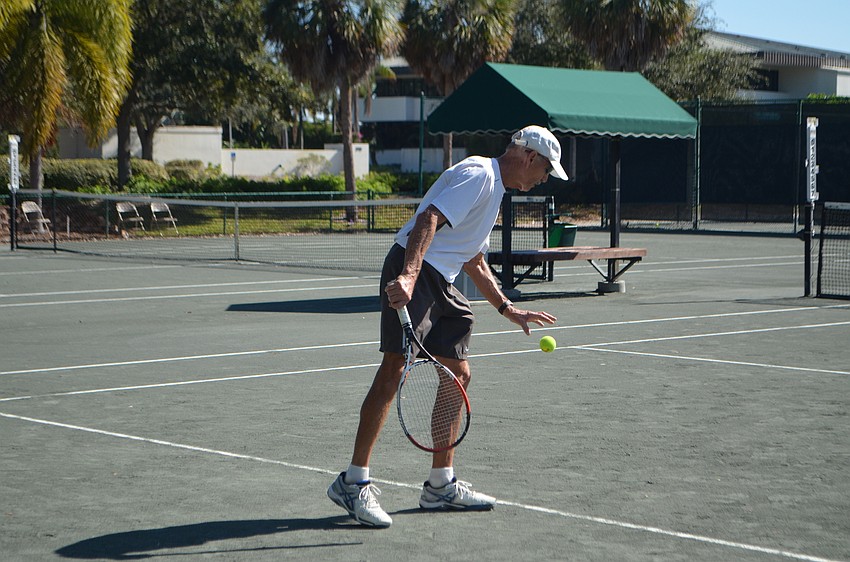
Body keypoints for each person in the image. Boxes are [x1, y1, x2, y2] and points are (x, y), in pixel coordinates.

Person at [328, 125, 569, 527]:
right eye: (546, 169)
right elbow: (429, 218)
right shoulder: (478, 174)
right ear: (529, 157)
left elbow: (473, 258)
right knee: (393, 370)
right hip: (417, 271)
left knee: (458, 373)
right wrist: (408, 276)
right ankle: (353, 482)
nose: (545, 178)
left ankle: (440, 485)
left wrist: (508, 309)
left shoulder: (495, 191)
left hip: (445, 281)